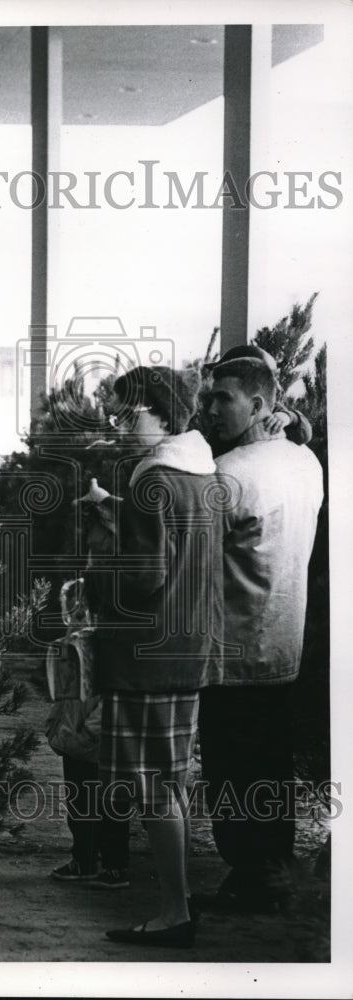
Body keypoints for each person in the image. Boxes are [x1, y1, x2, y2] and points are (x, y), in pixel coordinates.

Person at [83, 365, 225, 948]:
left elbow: (141, 578)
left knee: (155, 791)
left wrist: (95, 576)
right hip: (188, 650)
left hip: (146, 658)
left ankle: (173, 912)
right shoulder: (200, 471)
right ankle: (177, 905)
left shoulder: (152, 479)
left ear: (162, 413)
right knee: (172, 784)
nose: (117, 424)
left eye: (127, 413)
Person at [195, 353, 323, 913]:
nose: (210, 408)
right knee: (271, 765)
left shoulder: (228, 475)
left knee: (232, 770)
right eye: (209, 397)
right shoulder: (306, 462)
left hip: (234, 650)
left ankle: (250, 878)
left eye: (222, 398)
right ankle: (270, 874)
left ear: (257, 404)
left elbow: (188, 563)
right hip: (284, 645)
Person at [45, 578, 131, 889]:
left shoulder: (107, 646)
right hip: (74, 738)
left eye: (81, 612)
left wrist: (92, 731)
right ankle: (84, 859)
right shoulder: (70, 645)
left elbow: (112, 698)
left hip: (97, 739)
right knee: (80, 804)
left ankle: (115, 864)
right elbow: (63, 694)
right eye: (70, 612)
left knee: (111, 802)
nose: (74, 619)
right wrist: (55, 726)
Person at [201, 344, 312, 456]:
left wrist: (289, 417)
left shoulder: (274, 412)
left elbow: (304, 433)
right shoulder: (217, 412)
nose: (213, 410)